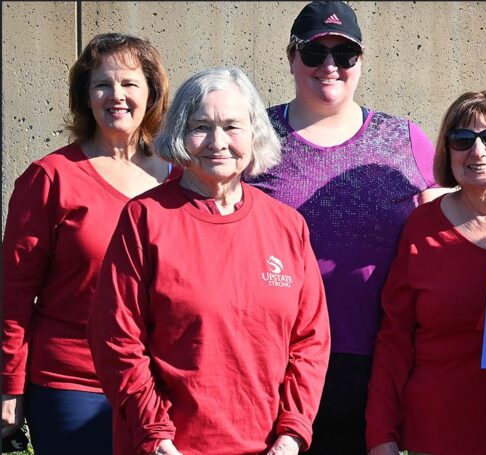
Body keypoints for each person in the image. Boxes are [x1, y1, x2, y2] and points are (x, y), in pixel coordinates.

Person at [87, 67, 330, 455]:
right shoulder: (145, 219)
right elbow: (116, 338)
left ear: (255, 134)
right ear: (180, 134)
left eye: (232, 127)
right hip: (169, 448)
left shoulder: (287, 226)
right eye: (201, 126)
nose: (218, 142)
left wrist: (292, 432)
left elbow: (310, 341)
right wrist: (156, 436)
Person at [244, 3, 445, 451]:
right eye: (315, 53)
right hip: (272, 360)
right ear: (291, 57)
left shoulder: (403, 139)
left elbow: (457, 212)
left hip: (377, 358)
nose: (329, 66)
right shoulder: (253, 137)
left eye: (344, 55)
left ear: (361, 61)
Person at [1, 32, 175, 454]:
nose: (116, 95)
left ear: (151, 92)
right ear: (86, 95)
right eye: (103, 84)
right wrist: (9, 387)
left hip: (164, 386)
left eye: (130, 83)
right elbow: (15, 292)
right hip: (74, 385)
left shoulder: (181, 176)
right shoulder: (51, 179)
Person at [365, 90, 486, 454]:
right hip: (439, 432)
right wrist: (381, 434)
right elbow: (394, 339)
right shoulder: (421, 226)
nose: (478, 151)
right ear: (447, 151)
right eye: (462, 139)